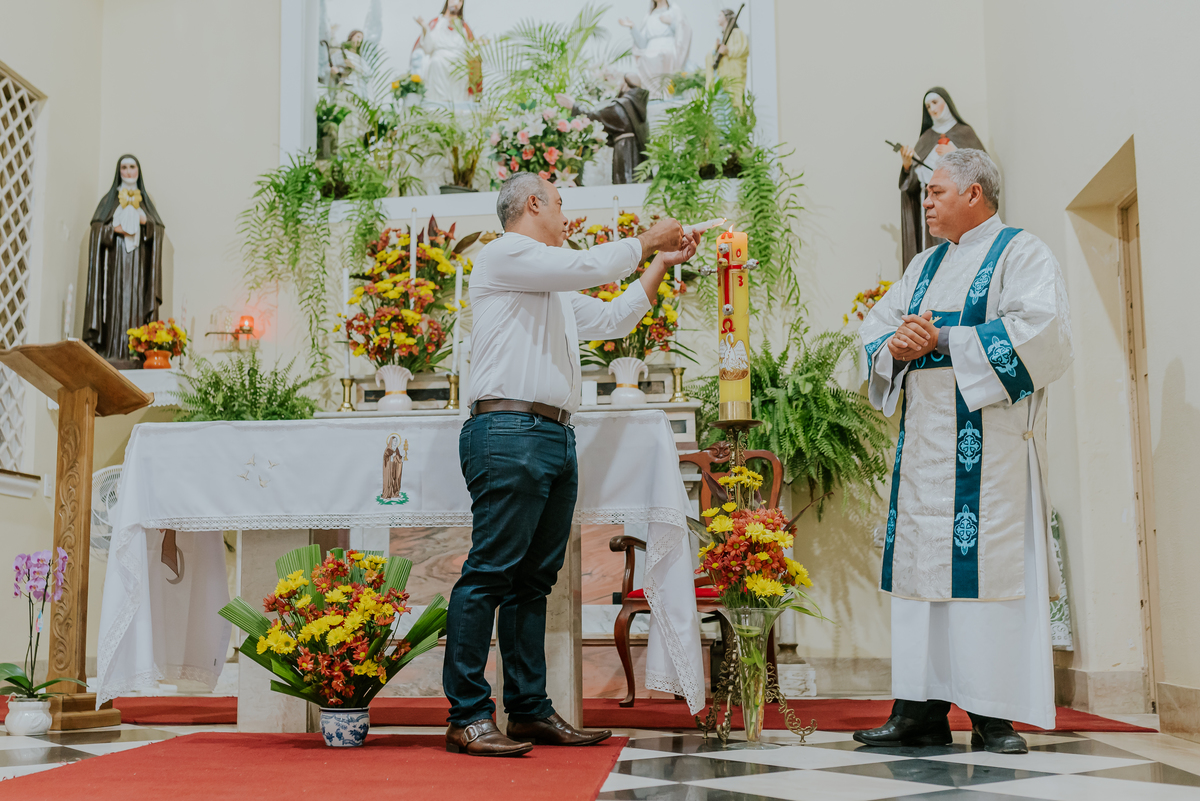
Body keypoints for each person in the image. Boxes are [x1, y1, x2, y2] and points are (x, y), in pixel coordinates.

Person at [443, 172, 698, 757]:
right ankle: (467, 714)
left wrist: (659, 265)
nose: (566, 214)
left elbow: (611, 321)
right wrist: (648, 240)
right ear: (533, 203)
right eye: (560, 204)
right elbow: (594, 268)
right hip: (508, 429)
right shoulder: (506, 253)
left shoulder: (548, 289)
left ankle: (529, 710)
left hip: (551, 434)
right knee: (489, 573)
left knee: (533, 582)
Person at [856, 149, 1072, 754]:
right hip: (926, 452)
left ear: (975, 194)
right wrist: (893, 348)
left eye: (936, 193)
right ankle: (919, 710)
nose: (925, 202)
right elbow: (875, 327)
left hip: (990, 452)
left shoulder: (1021, 253)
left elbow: (1044, 334)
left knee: (984, 583)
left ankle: (992, 714)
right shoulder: (923, 267)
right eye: (925, 194)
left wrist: (945, 336)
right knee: (925, 580)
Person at [83, 155, 165, 367]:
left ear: (138, 171)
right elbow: (97, 230)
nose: (128, 172)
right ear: (119, 171)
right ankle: (110, 348)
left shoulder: (145, 204)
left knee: (135, 305)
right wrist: (113, 230)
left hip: (138, 265)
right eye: (124, 168)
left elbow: (157, 229)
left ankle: (136, 351)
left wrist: (144, 221)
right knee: (113, 304)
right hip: (114, 262)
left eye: (132, 167)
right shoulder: (109, 200)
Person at [897, 88, 985, 271]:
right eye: (927, 106)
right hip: (929, 207)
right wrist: (907, 166)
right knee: (934, 256)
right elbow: (912, 186)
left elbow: (984, 172)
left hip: (957, 204)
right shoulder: (925, 139)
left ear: (947, 102)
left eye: (935, 102)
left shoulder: (964, 133)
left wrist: (957, 154)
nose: (932, 109)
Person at [555, 74, 649, 184]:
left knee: (626, 184)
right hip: (635, 152)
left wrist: (574, 106)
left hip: (626, 152)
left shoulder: (623, 106)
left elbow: (597, 117)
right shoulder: (637, 106)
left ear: (625, 85)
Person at [620, 0, 693, 99]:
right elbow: (642, 44)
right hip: (650, 53)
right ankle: (652, 97)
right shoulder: (650, 16)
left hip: (667, 51)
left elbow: (683, 32)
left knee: (663, 56)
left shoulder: (673, 11)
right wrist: (633, 28)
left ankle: (666, 96)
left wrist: (671, 23)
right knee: (645, 58)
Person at [413, 0, 480, 105]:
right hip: (439, 56)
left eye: (460, 1)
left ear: (462, 4)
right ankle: (438, 103)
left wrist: (479, 43)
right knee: (436, 63)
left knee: (461, 68)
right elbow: (428, 48)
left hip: (459, 59)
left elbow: (471, 49)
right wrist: (425, 28)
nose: (456, 3)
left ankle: (457, 104)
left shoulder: (464, 27)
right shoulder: (437, 22)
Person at [704, 8, 749, 111]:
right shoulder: (722, 37)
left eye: (720, 15)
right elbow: (710, 56)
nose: (717, 18)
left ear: (726, 17)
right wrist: (716, 50)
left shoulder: (737, 33)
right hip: (722, 76)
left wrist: (728, 51)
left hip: (733, 73)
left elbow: (743, 49)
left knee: (734, 102)